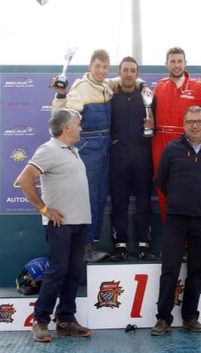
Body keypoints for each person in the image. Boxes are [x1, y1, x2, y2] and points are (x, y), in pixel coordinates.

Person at [15, 109, 92, 342]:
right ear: (66, 127)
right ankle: (40, 320)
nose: (81, 127)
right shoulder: (48, 150)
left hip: (80, 222)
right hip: (61, 225)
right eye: (78, 124)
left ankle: (66, 320)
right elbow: (23, 180)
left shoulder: (73, 150)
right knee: (57, 272)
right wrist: (44, 209)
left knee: (72, 273)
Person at [151, 106, 201, 336]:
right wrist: (178, 199)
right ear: (183, 125)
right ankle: (163, 318)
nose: (195, 125)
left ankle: (190, 317)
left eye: (199, 121)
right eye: (190, 121)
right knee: (170, 269)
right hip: (177, 218)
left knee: (196, 270)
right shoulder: (172, 149)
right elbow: (161, 181)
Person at [51, 49, 113, 262]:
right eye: (97, 66)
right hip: (89, 148)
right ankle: (85, 246)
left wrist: (141, 84)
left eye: (105, 67)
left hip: (106, 147)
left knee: (100, 197)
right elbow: (63, 116)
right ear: (90, 66)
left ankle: (92, 243)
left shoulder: (107, 86)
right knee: (89, 199)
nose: (101, 71)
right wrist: (60, 95)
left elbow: (127, 79)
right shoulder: (80, 88)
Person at [151, 47, 201, 220]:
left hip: (186, 143)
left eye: (179, 61)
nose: (176, 65)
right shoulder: (159, 87)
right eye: (172, 61)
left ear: (185, 63)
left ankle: (189, 242)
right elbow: (147, 111)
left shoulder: (197, 87)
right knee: (162, 188)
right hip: (160, 142)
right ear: (166, 64)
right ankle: (173, 238)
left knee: (186, 189)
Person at [108, 56, 158, 262]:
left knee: (144, 202)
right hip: (118, 154)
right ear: (119, 72)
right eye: (125, 70)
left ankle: (144, 245)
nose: (129, 74)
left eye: (132, 70)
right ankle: (120, 245)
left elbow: (155, 125)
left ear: (137, 74)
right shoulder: (110, 94)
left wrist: (152, 124)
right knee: (118, 202)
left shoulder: (147, 96)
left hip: (142, 154)